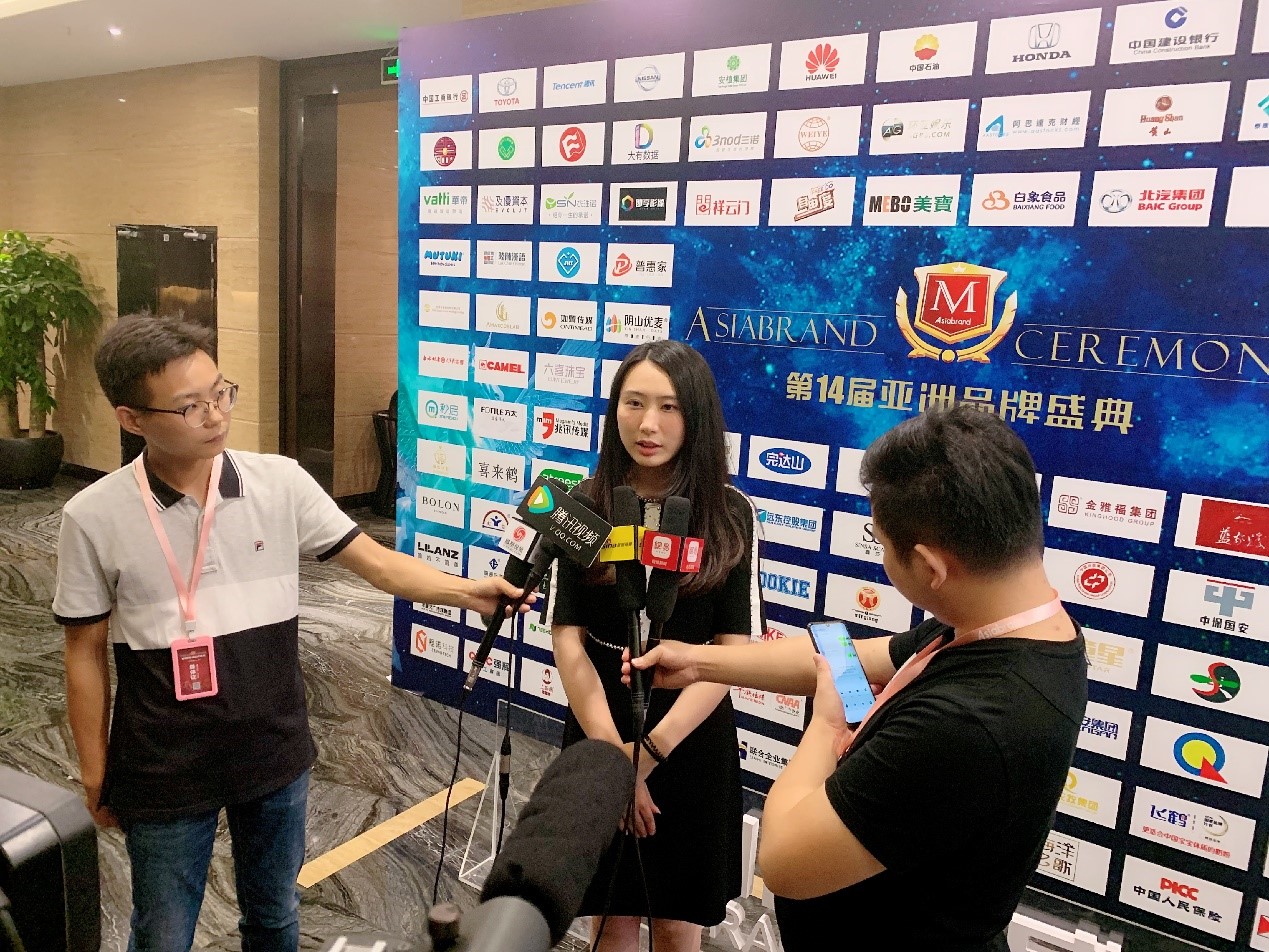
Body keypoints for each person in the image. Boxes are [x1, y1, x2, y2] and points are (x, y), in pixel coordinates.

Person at [53, 315, 531, 952]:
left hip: (274, 748)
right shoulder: (92, 516)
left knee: (275, 917)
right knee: (163, 933)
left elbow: (378, 563)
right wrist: (95, 772)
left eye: (221, 393)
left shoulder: (279, 483)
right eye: (190, 406)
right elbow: (83, 652)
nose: (215, 416)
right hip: (164, 763)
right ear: (131, 418)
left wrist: (470, 593)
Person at [627, 406, 1088, 952]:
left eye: (881, 543)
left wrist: (825, 726)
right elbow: (842, 658)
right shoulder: (1002, 624)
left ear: (931, 567)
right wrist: (701, 663)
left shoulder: (968, 722)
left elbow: (783, 860)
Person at [546, 340, 764, 952]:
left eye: (669, 407)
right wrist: (615, 759)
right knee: (607, 915)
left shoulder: (730, 512)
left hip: (689, 739)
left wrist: (647, 756)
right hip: (600, 729)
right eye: (634, 403)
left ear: (697, 417)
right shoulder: (583, 503)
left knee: (676, 921)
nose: (648, 424)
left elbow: (732, 648)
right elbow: (568, 636)